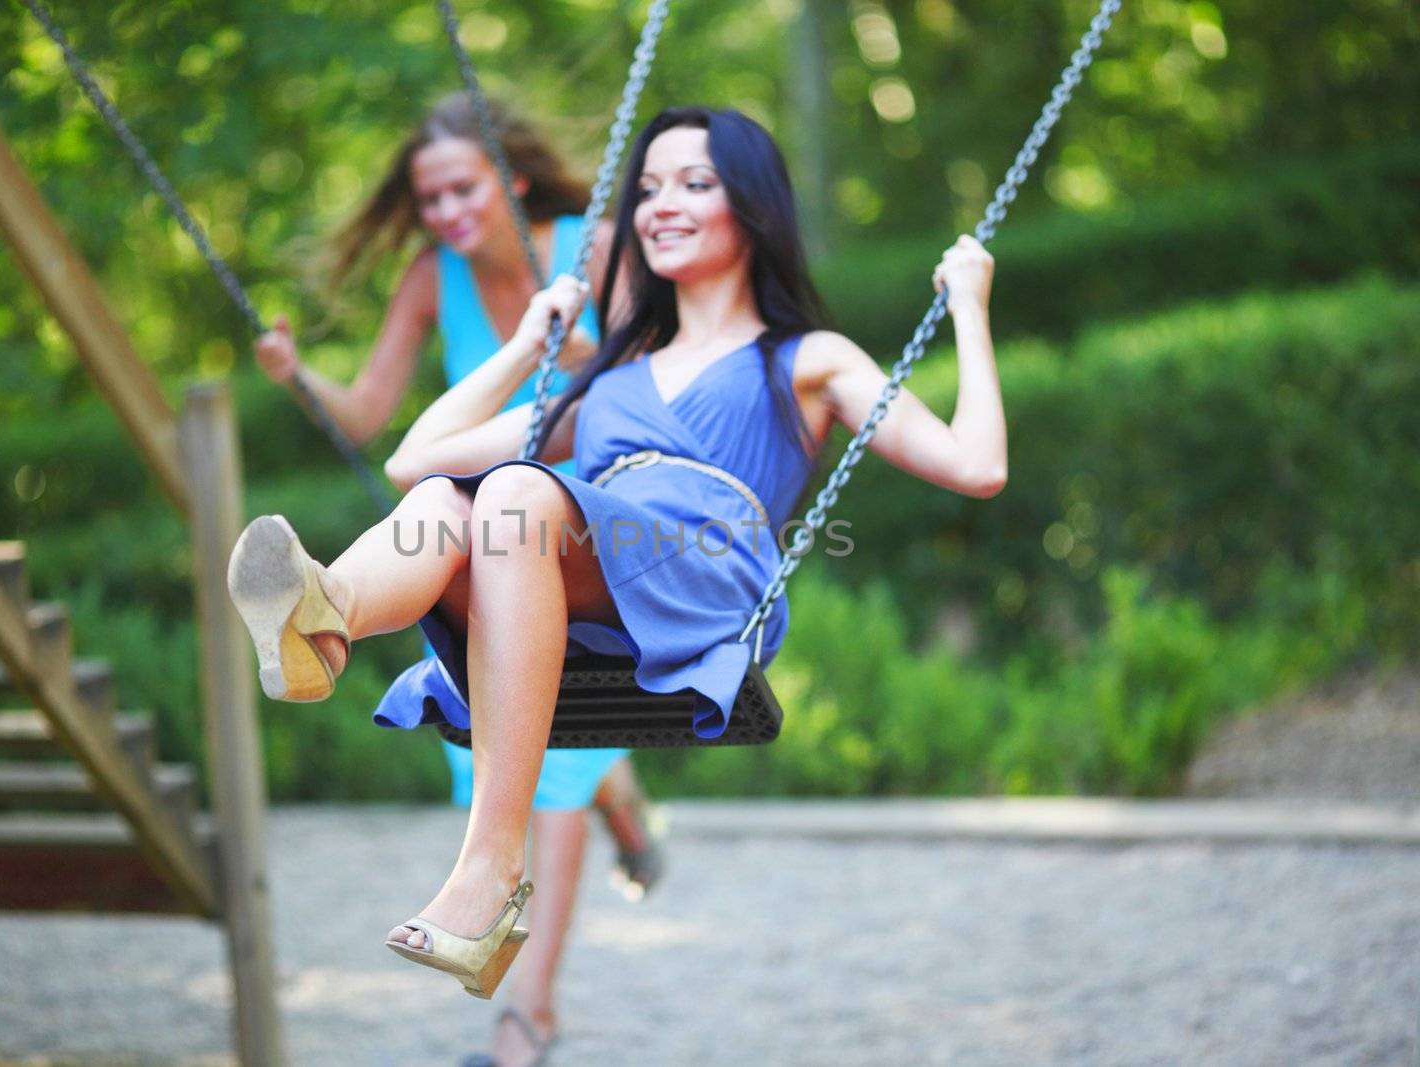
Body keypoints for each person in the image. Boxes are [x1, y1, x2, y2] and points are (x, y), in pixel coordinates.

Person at [227, 105, 1005, 1006]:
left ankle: (489, 868)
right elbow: (414, 458)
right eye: (648, 188)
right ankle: (325, 624)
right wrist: (528, 345)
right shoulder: (607, 384)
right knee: (449, 499)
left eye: (694, 183)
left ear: (751, 205)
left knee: (511, 494)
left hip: (707, 577)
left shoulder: (804, 357)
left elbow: (976, 464)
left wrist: (971, 311)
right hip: (590, 578)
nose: (660, 205)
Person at [250, 92, 659, 1066]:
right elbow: (371, 415)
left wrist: (570, 353)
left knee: (551, 763)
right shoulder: (433, 280)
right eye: (428, 197)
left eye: (461, 187)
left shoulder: (591, 247)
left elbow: (665, 374)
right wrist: (299, 374)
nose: (443, 212)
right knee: (513, 741)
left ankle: (529, 1020)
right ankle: (327, 613)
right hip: (483, 531)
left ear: (510, 177)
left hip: (593, 528)